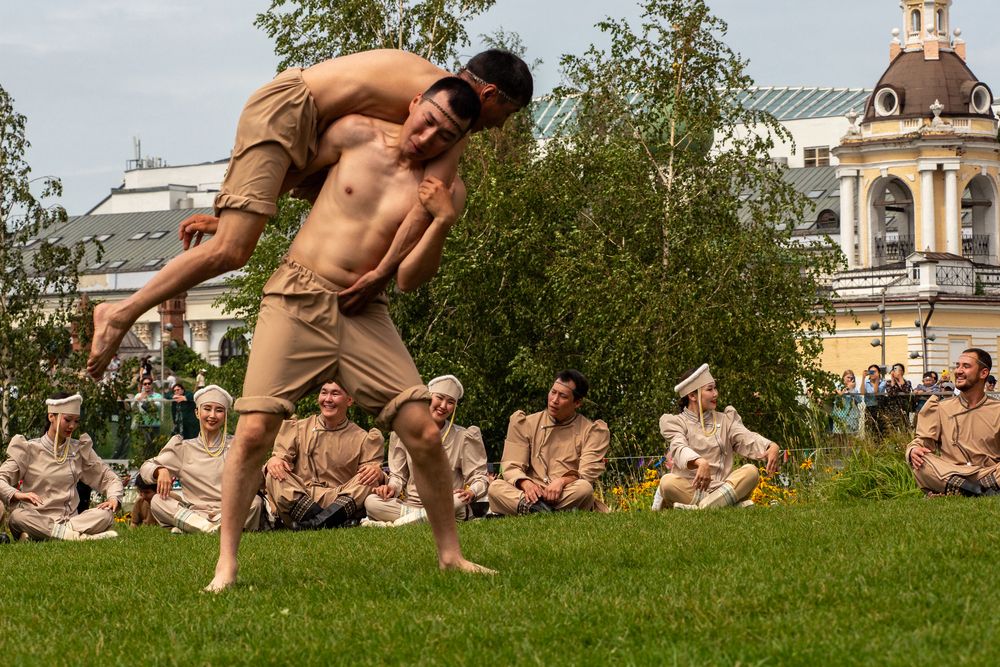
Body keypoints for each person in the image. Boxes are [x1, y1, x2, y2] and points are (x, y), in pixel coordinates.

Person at [189, 77, 492, 591]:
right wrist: (227, 223)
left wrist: (440, 222)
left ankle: (450, 555)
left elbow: (410, 278)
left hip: (363, 311)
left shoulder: (444, 192)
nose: (427, 138)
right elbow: (285, 177)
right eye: (427, 121)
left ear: (458, 142)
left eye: (444, 136)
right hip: (297, 296)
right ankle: (227, 564)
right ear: (414, 102)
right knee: (257, 431)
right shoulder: (355, 132)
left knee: (420, 428)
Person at [86, 49, 533, 380]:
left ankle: (191, 260)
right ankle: (122, 311)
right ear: (488, 94)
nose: (500, 126)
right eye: (506, 113)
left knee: (343, 192)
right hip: (291, 108)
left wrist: (238, 210)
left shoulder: (423, 87)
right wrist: (381, 274)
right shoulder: (449, 111)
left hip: (299, 119)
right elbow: (425, 203)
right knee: (233, 251)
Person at [365, 374, 488, 525]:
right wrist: (390, 488)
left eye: (450, 402)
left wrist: (471, 492)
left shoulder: (464, 437)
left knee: (457, 501)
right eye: (440, 398)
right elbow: (398, 477)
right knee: (372, 503)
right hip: (411, 505)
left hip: (449, 502)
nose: (443, 406)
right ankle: (423, 519)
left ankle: (402, 523)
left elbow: (479, 477)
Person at [139, 385, 264, 533]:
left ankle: (193, 528)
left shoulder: (238, 445)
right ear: (197, 412)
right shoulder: (183, 448)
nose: (212, 415)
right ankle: (207, 527)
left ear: (225, 415)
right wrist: (160, 470)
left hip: (229, 510)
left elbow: (258, 476)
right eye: (207, 409)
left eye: (219, 410)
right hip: (195, 513)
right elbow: (146, 468)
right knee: (158, 501)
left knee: (255, 502)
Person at [654, 364, 780, 510]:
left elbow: (746, 437)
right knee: (667, 482)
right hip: (690, 490)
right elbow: (679, 447)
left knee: (751, 472)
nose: (715, 394)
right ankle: (725, 505)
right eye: (709, 389)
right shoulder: (676, 422)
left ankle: (700, 509)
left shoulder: (725, 420)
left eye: (715, 388)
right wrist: (700, 462)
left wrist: (770, 446)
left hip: (723, 487)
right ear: (692, 395)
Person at [0, 393, 122, 541]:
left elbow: (109, 478)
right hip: (35, 517)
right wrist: (18, 495)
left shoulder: (79, 450)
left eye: (76, 421)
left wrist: (113, 497)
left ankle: (46, 536)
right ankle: (77, 537)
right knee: (18, 517)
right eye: (67, 420)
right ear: (51, 416)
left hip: (70, 521)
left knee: (106, 514)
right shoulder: (28, 448)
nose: (72, 426)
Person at [487, 370, 609, 516]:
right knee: (495, 487)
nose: (554, 400)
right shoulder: (525, 423)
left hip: (565, 494)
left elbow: (586, 474)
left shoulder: (591, 431)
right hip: (530, 493)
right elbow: (512, 465)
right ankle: (538, 509)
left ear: (577, 403)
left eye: (562, 396)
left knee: (584, 489)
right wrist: (526, 484)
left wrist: (563, 481)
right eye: (553, 392)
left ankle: (531, 509)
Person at [264, 381, 384, 529]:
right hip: (299, 497)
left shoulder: (363, 438)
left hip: (338, 499)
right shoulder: (298, 428)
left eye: (335, 394)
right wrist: (276, 459)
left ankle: (312, 524)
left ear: (350, 400)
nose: (327, 399)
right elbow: (282, 457)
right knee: (274, 472)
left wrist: (377, 472)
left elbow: (371, 473)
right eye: (324, 392)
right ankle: (332, 522)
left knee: (369, 479)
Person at [906, 349, 1000, 496]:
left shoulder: (998, 410)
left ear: (983, 373)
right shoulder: (940, 407)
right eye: (957, 366)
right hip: (950, 473)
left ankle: (964, 491)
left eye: (966, 366)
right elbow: (922, 443)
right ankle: (980, 491)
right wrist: (913, 450)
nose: (958, 371)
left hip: (988, 474)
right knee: (921, 462)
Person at [127, 375, 163, 458]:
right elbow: (133, 409)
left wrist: (146, 399)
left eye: (149, 383)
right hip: (142, 423)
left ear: (152, 385)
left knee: (154, 444)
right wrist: (136, 401)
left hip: (154, 424)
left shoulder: (157, 396)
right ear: (142, 385)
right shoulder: (138, 395)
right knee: (145, 443)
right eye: (145, 384)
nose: (147, 385)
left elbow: (156, 408)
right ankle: (143, 461)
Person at [830, 369, 862, 436]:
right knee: (839, 437)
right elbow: (837, 400)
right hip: (840, 416)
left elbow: (859, 400)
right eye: (848, 377)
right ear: (843, 378)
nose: (850, 379)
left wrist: (851, 390)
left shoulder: (854, 389)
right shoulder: (838, 387)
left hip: (851, 417)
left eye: (852, 378)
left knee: (851, 438)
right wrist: (843, 392)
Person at [883, 362, 913, 430]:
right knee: (893, 427)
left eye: (900, 370)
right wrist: (892, 379)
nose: (897, 371)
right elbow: (891, 393)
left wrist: (900, 378)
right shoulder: (889, 382)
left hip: (904, 408)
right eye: (895, 369)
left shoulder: (907, 382)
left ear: (903, 371)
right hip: (893, 408)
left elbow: (906, 390)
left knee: (905, 427)